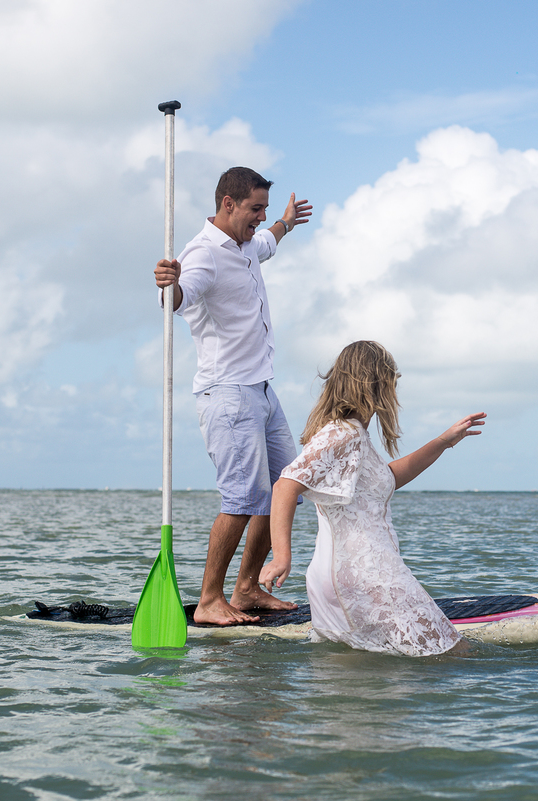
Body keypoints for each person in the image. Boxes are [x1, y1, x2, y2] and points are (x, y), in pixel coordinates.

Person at [153, 166, 312, 626]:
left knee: (285, 490)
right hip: (228, 394)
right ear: (228, 204)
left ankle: (247, 589)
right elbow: (180, 299)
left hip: (262, 391)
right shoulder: (202, 254)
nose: (260, 218)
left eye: (264, 209)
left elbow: (268, 243)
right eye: (254, 209)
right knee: (242, 498)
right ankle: (208, 599)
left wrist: (284, 222)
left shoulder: (247, 244)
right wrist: (170, 283)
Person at [258, 341, 486, 656]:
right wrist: (282, 557)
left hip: (345, 575)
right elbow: (286, 484)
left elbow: (388, 479)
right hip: (369, 576)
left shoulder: (351, 434)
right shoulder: (344, 435)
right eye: (392, 381)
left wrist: (443, 442)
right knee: (456, 654)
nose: (394, 391)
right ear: (375, 384)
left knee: (351, 681)